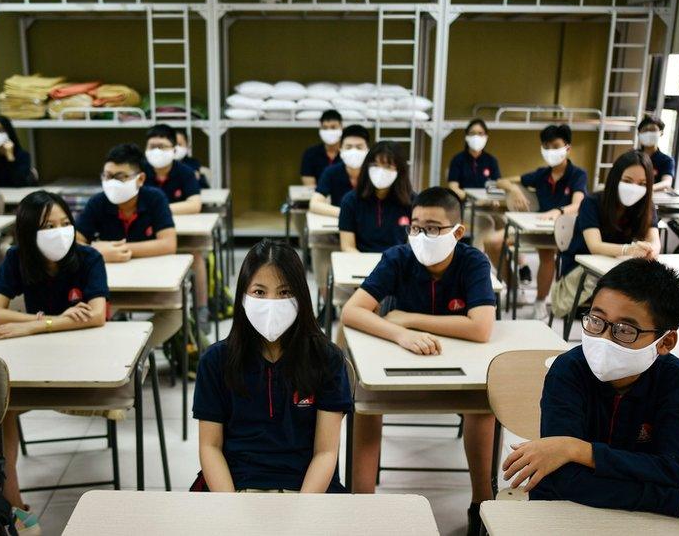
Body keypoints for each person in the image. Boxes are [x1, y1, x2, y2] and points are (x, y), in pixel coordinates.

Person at [503, 258, 679, 528]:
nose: (603, 339)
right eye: (596, 320)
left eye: (625, 330)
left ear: (666, 342)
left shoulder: (674, 377)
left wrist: (578, 450)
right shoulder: (568, 370)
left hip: (646, 521)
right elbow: (566, 482)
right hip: (564, 515)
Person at [340, 187, 496, 536]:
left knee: (484, 402)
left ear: (459, 231)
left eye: (434, 227)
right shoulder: (398, 257)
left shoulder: (473, 261)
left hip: (458, 367)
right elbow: (351, 312)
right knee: (367, 398)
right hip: (401, 361)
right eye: (415, 226)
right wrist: (400, 335)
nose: (422, 235)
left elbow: (481, 327)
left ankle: (481, 503)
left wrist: (409, 319)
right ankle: (362, 503)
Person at [0, 191, 108, 531]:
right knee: (2, 404)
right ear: (27, 233)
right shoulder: (16, 257)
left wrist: (38, 324)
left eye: (65, 223)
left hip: (85, 358)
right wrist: (52, 320)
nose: (60, 231)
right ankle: (13, 504)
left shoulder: (88, 258)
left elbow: (97, 316)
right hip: (38, 356)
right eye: (48, 226)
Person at [193, 239, 351, 492]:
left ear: (301, 296)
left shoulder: (327, 359)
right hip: (236, 485)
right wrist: (231, 508)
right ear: (243, 297)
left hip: (307, 489)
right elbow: (210, 447)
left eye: (285, 292)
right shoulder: (215, 361)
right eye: (259, 292)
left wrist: (301, 513)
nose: (271, 303)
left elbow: (325, 451)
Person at [76, 142, 183, 350]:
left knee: (175, 313)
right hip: (109, 282)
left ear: (140, 179)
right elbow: (76, 241)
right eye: (107, 176)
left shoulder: (154, 199)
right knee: (92, 312)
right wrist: (97, 250)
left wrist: (122, 251)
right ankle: (112, 350)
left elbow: (169, 243)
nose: (111, 183)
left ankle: (135, 350)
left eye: (120, 177)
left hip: (150, 277)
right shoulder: (98, 202)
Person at [486, 124, 588, 320]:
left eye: (555, 145)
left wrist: (557, 212)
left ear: (567, 147)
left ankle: (541, 301)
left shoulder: (577, 174)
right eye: (546, 146)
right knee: (492, 242)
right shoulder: (541, 174)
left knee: (546, 252)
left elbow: (578, 204)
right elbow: (501, 181)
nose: (550, 151)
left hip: (565, 229)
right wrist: (514, 189)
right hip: (537, 226)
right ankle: (515, 290)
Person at [550, 150, 660, 319]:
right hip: (582, 268)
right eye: (627, 181)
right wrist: (629, 250)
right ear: (615, 179)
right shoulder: (592, 203)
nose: (634, 188)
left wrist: (651, 249)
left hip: (615, 266)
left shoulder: (646, 206)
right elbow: (595, 246)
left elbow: (655, 240)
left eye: (642, 184)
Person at [140, 124, 208, 326]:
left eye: (162, 146)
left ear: (174, 149)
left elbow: (194, 204)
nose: (157, 151)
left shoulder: (185, 172)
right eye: (152, 146)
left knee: (195, 255)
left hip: (175, 230)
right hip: (146, 233)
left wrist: (159, 208)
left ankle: (201, 308)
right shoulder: (140, 172)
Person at [308, 125, 370, 308]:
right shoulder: (332, 172)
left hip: (367, 232)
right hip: (341, 229)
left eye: (359, 147)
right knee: (319, 243)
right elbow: (315, 203)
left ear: (368, 150)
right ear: (341, 149)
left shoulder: (373, 174)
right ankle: (328, 303)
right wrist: (347, 214)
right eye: (349, 147)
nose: (354, 151)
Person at [338, 141, 414, 253]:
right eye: (375, 165)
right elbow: (347, 246)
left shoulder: (412, 201)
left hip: (398, 264)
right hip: (360, 262)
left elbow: (413, 247)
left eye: (388, 166)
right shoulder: (350, 200)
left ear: (399, 170)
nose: (380, 171)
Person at [447, 119, 503, 250]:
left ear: (486, 136)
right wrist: (471, 199)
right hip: (466, 206)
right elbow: (453, 186)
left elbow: (497, 185)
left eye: (480, 133)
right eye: (472, 133)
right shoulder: (458, 160)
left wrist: (493, 200)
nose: (476, 137)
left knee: (504, 223)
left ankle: (521, 264)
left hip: (488, 206)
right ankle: (476, 260)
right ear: (466, 137)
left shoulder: (491, 160)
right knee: (487, 224)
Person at [0, 115, 36, 188]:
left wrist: (10, 157)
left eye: (0, 130)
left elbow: (20, 183)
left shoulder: (22, 155)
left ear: (8, 132)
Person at [300, 110, 343, 186]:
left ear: (341, 128)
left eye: (333, 127)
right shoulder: (310, 154)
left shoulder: (348, 154)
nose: (329, 131)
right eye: (325, 128)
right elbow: (309, 184)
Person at [636, 115, 675, 192]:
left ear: (661, 133)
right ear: (639, 134)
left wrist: (646, 190)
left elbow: (666, 183)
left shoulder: (666, 160)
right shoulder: (632, 156)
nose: (648, 133)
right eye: (645, 130)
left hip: (655, 197)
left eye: (652, 130)